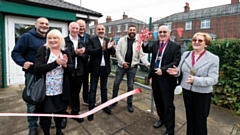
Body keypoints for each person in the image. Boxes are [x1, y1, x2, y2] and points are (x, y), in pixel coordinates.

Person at [167, 32, 219, 135]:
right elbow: (181, 71)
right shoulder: (186, 54)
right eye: (194, 40)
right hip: (187, 91)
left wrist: (195, 80)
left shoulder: (213, 58)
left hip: (202, 94)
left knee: (200, 121)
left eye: (200, 41)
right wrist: (176, 72)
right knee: (190, 118)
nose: (196, 42)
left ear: (206, 44)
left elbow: (213, 79)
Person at [11, 17, 55, 135]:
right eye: (42, 23)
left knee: (46, 99)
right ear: (36, 24)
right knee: (32, 100)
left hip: (48, 74)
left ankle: (45, 120)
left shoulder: (49, 38)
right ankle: (32, 125)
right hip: (33, 74)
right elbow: (15, 53)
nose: (44, 25)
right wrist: (23, 62)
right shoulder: (26, 37)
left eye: (46, 24)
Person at [142, 25, 181, 135]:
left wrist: (163, 70)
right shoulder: (155, 44)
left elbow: (175, 62)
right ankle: (162, 119)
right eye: (160, 32)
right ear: (157, 33)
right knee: (158, 101)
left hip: (167, 79)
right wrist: (145, 42)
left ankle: (170, 129)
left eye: (164, 32)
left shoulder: (175, 46)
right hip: (155, 77)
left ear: (169, 33)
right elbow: (146, 50)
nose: (162, 34)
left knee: (168, 104)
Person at [34, 29, 74, 135]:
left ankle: (59, 131)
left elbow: (71, 67)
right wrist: (56, 63)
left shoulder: (65, 51)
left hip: (61, 89)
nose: (52, 40)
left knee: (60, 112)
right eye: (50, 38)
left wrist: (65, 65)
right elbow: (38, 68)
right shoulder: (43, 50)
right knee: (46, 114)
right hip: (46, 90)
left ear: (60, 39)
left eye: (55, 38)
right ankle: (46, 133)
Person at [110, 24, 149, 112]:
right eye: (130, 30)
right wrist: (123, 62)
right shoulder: (122, 40)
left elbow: (142, 55)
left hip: (132, 67)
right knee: (116, 83)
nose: (132, 31)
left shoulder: (139, 42)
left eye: (133, 30)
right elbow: (118, 52)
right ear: (128, 31)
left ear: (136, 32)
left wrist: (147, 64)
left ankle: (129, 103)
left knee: (130, 86)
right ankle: (114, 101)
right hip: (121, 66)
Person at [87, 24, 116, 121]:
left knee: (104, 88)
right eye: (99, 29)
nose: (100, 30)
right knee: (93, 88)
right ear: (96, 31)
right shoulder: (91, 40)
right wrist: (101, 49)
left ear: (105, 30)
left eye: (102, 29)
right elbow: (89, 51)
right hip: (95, 68)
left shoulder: (108, 40)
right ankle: (91, 109)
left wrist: (111, 48)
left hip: (105, 68)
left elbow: (111, 53)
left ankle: (104, 106)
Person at [62, 22, 85, 127]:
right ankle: (63, 115)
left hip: (79, 71)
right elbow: (63, 56)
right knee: (65, 94)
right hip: (67, 72)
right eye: (73, 28)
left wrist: (82, 54)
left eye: (77, 28)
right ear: (69, 29)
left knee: (76, 94)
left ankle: (75, 113)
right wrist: (75, 53)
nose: (75, 30)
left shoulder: (81, 41)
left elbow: (85, 57)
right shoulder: (63, 41)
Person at [77, 19, 91, 106]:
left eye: (83, 26)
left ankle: (86, 99)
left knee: (86, 83)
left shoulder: (88, 36)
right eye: (80, 26)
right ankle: (74, 103)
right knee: (77, 85)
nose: (81, 28)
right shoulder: (74, 37)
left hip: (86, 64)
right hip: (77, 64)